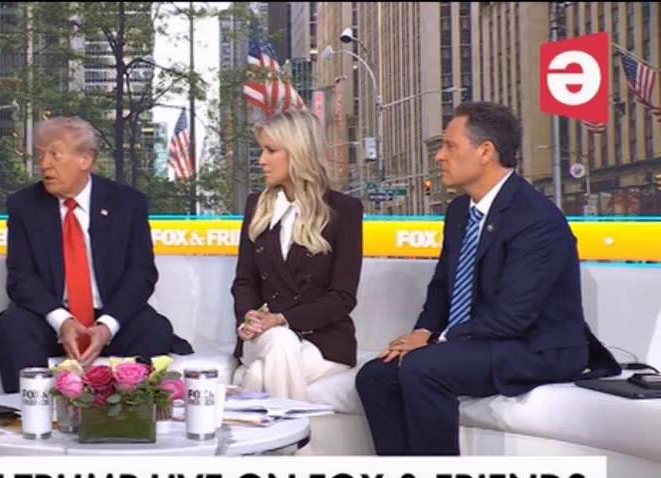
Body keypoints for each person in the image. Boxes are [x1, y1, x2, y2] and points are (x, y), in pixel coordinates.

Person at [355, 101, 588, 456]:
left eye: (450, 146)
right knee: (375, 375)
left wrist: (438, 339)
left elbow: (514, 317)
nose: (439, 157)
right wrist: (423, 330)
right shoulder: (459, 211)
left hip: (535, 346)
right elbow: (442, 288)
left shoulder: (536, 220)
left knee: (423, 367)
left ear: (485, 152)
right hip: (480, 340)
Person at [0, 116, 192, 393]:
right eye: (41, 155)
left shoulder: (127, 203)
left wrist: (106, 326)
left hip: (110, 316)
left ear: (86, 159)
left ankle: (131, 410)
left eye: (55, 155)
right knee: (14, 328)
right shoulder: (24, 205)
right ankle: (29, 410)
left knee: (155, 329)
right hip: (50, 318)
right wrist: (62, 321)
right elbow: (21, 278)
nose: (44, 164)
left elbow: (141, 274)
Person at [231, 109, 363, 401]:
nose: (261, 160)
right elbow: (245, 282)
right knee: (280, 342)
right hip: (262, 335)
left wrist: (283, 319)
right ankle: (296, 432)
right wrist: (249, 318)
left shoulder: (344, 211)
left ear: (299, 152)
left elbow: (342, 296)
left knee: (258, 374)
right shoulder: (257, 207)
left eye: (271, 151)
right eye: (262, 150)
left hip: (323, 340)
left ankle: (267, 428)